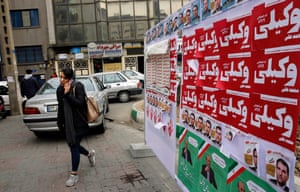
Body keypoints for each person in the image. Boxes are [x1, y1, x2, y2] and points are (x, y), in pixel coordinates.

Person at [56, 68, 96, 187]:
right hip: (67, 124)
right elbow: (61, 106)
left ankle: (74, 174)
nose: (62, 79)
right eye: (61, 77)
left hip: (79, 122)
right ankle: (89, 154)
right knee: (74, 145)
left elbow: (80, 103)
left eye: (64, 77)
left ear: (70, 78)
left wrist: (68, 94)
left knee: (73, 145)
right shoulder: (59, 89)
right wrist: (59, 121)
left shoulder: (78, 86)